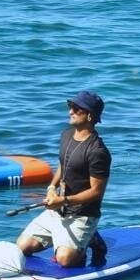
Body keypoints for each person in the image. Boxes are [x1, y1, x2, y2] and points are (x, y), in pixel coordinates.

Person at [17, 91, 111, 268]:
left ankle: (91, 239)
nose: (70, 111)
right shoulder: (66, 135)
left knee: (65, 260)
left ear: (90, 115)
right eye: (70, 107)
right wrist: (52, 187)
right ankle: (66, 238)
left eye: (76, 109)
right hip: (58, 210)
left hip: (82, 215)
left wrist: (63, 200)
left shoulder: (98, 152)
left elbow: (96, 192)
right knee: (22, 247)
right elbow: (64, 164)